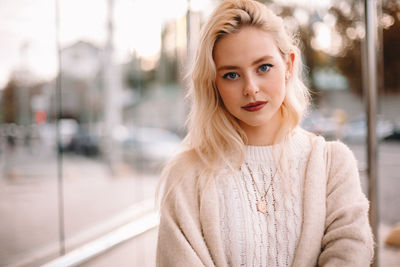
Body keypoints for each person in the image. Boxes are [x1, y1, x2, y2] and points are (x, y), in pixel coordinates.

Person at [156, 0, 374, 266]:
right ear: (214, 84)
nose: (251, 88)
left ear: (289, 65)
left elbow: (350, 253)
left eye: (263, 67)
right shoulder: (186, 174)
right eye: (231, 75)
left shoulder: (332, 164)